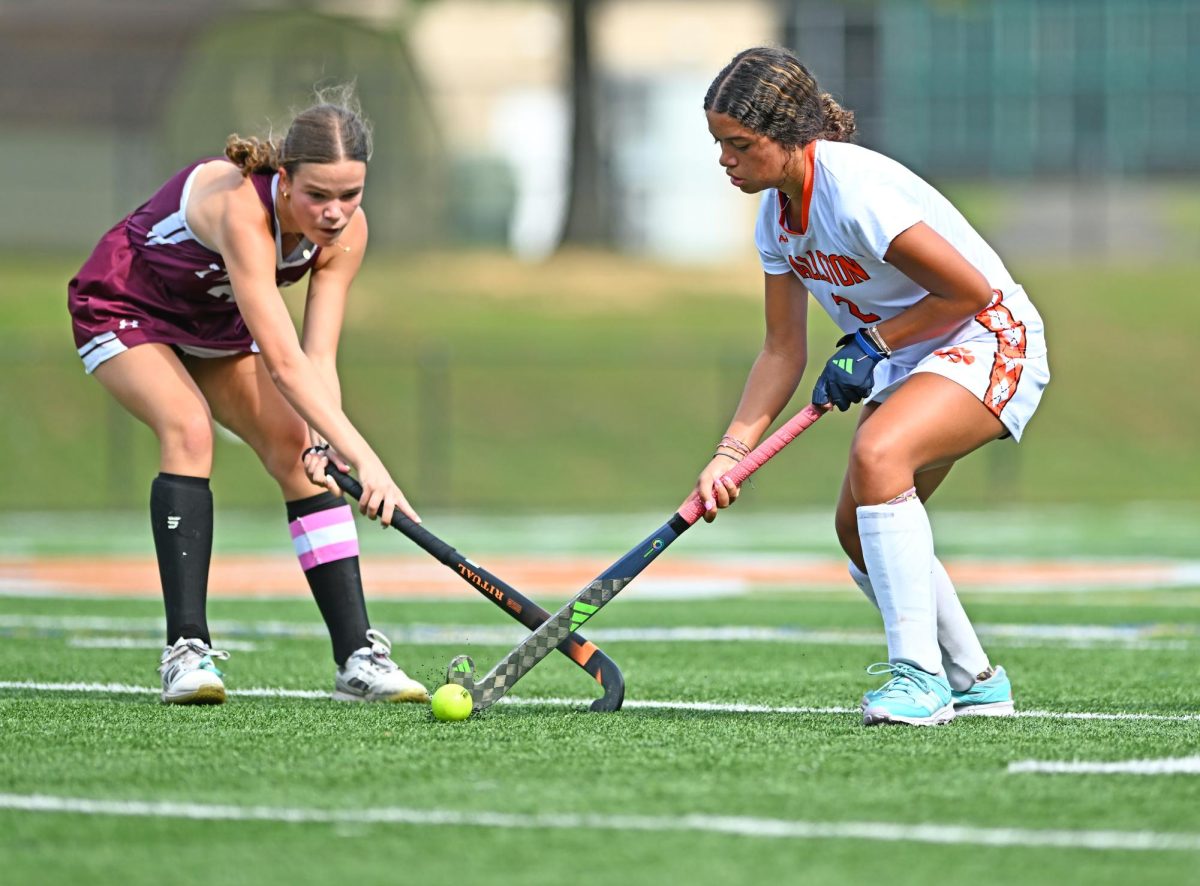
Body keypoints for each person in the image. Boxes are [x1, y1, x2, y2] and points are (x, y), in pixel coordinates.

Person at [694, 48, 1050, 726]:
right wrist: (730, 454)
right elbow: (781, 350)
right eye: (719, 145)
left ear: (789, 136)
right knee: (857, 528)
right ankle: (974, 678)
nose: (725, 161)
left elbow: (970, 291)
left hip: (990, 338)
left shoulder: (855, 193)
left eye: (739, 144)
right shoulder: (776, 219)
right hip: (919, 354)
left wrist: (875, 344)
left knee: (880, 455)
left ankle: (918, 682)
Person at [67, 85, 429, 706]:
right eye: (318, 195)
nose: (335, 212)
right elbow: (285, 364)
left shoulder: (346, 234)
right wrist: (367, 460)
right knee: (188, 428)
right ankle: (186, 652)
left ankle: (357, 659)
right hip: (126, 306)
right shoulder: (241, 207)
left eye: (350, 195)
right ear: (283, 180)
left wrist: (327, 443)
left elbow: (317, 360)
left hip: (214, 326)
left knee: (297, 450)